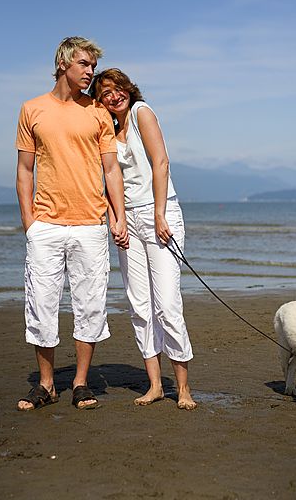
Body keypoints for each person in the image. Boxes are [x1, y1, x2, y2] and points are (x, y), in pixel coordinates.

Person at [15, 37, 128, 411]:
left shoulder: (97, 113)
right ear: (64, 63)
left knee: (90, 305)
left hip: (90, 225)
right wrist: (30, 222)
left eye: (93, 66)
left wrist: (119, 216)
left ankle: (80, 383)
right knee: (41, 304)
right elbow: (24, 170)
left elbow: (111, 169)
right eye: (84, 64)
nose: (90, 72)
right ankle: (46, 385)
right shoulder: (32, 109)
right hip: (45, 225)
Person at [89, 68, 197, 410]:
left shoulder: (141, 112)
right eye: (105, 92)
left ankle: (183, 388)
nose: (113, 95)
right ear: (100, 100)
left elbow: (161, 162)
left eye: (117, 88)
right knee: (139, 306)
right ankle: (155, 386)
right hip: (129, 222)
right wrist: (115, 219)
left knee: (167, 304)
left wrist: (161, 212)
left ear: (127, 88)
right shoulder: (107, 128)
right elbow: (106, 181)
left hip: (158, 214)